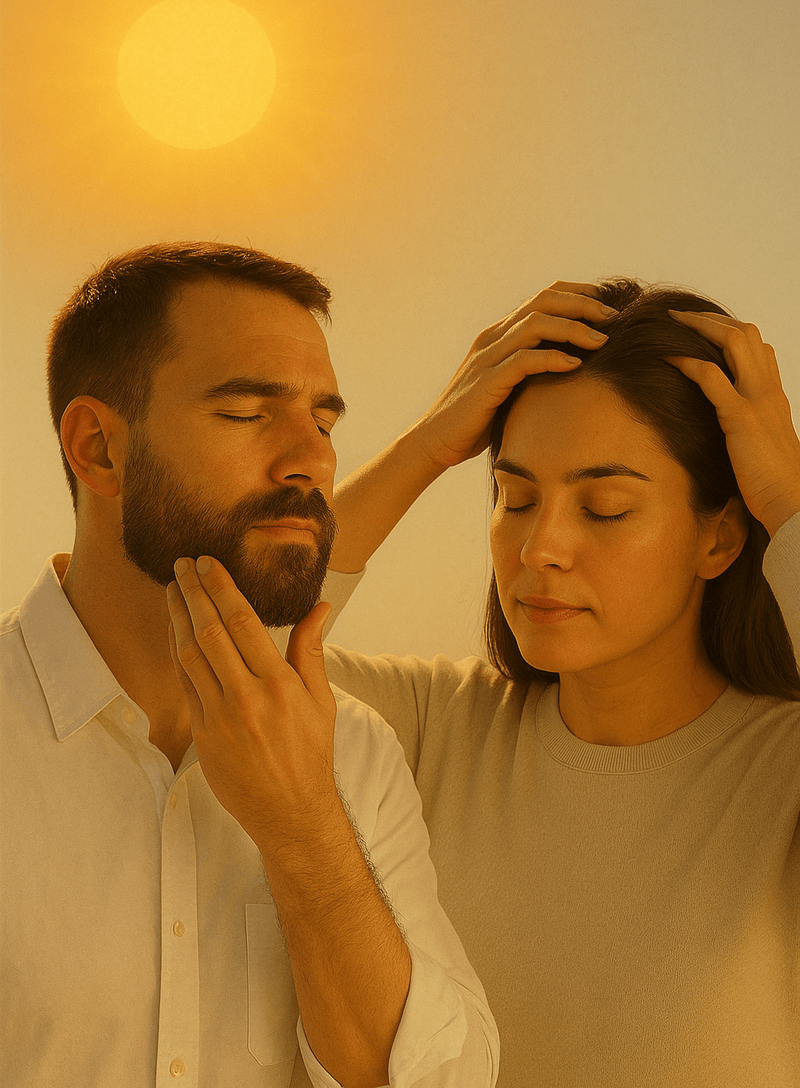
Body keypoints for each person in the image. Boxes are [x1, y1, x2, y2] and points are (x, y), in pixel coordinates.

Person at [0, 241, 520, 1088]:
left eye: (323, 421)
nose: (311, 461)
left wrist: (304, 824)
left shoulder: (352, 751)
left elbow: (438, 1081)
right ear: (98, 447)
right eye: (247, 414)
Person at [322, 278, 800, 1087]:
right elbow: (208, 652)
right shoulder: (431, 726)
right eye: (514, 498)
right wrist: (429, 445)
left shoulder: (778, 769)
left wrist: (787, 503)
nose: (540, 547)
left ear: (718, 541)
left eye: (605, 508)